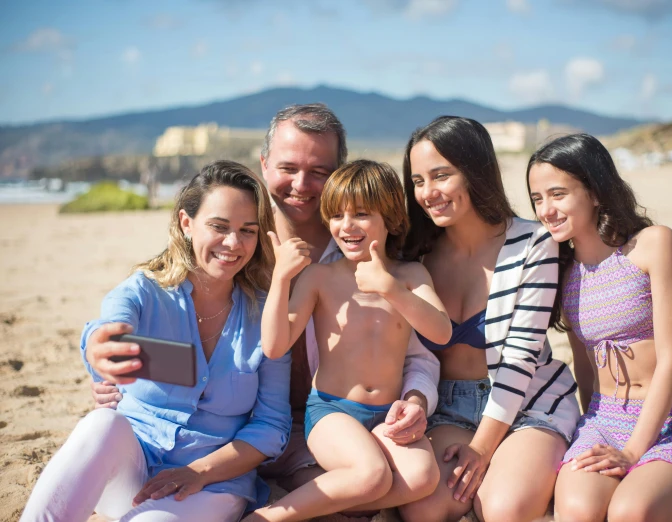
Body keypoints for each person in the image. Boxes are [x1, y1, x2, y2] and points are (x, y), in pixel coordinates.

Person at [91, 104, 439, 496]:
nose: (302, 184)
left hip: (347, 425)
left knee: (404, 489)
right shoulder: (231, 241)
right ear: (264, 164)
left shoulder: (367, 248)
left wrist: (417, 398)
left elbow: (415, 349)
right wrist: (111, 366)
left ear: (338, 173)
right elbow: (157, 311)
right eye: (288, 168)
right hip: (241, 438)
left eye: (319, 172)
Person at [21, 161, 291, 521]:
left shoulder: (266, 315)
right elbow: (107, 327)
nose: (233, 243)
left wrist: (201, 472)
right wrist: (98, 348)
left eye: (247, 230)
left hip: (212, 486)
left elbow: (272, 426)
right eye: (219, 226)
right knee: (102, 423)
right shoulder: (147, 290)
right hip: (130, 470)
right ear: (186, 223)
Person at [526, 133, 672, 521]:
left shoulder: (653, 245)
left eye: (558, 194)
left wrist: (634, 451)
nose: (546, 209)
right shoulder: (562, 272)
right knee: (579, 511)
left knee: (630, 512)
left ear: (596, 192)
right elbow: (584, 363)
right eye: (537, 199)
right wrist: (590, 427)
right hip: (605, 419)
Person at [397, 116, 581, 522]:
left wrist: (481, 449)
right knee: (423, 510)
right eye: (418, 180)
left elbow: (518, 359)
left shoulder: (532, 243)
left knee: (503, 509)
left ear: (475, 172)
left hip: (530, 403)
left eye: (441, 175)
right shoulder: (418, 255)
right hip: (448, 407)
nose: (428, 193)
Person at [246, 159, 447, 521]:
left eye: (361, 214)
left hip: (388, 415)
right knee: (372, 476)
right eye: (336, 216)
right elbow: (274, 346)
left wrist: (392, 289)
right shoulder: (319, 278)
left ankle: (322, 493)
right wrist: (280, 278)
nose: (346, 226)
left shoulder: (410, 275)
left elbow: (440, 331)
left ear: (391, 219)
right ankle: (271, 516)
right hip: (331, 412)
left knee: (423, 478)